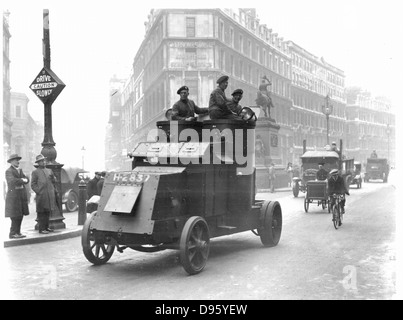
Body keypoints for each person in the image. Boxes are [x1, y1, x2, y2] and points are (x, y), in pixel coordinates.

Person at [31, 154, 58, 234]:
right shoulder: (35, 172)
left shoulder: (49, 170)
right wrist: (39, 191)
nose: (44, 162)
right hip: (42, 195)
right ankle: (41, 228)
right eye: (41, 161)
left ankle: (46, 227)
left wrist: (53, 179)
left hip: (49, 195)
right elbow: (33, 184)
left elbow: (54, 181)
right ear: (38, 163)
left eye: (44, 160)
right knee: (41, 212)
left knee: (48, 211)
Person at [5, 153, 30, 239]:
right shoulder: (8, 171)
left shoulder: (20, 170)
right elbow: (12, 181)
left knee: (20, 214)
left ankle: (18, 232)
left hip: (20, 196)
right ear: (11, 162)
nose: (18, 162)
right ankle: (12, 233)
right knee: (14, 215)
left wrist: (23, 179)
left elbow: (27, 179)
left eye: (18, 160)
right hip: (13, 197)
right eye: (16, 160)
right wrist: (22, 179)